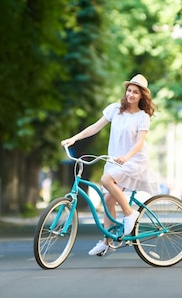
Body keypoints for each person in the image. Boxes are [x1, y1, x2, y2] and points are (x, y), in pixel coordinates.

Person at [61, 74, 160, 256]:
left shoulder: (142, 117)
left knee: (105, 180)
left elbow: (139, 143)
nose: (130, 94)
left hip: (133, 160)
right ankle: (107, 241)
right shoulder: (115, 110)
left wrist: (126, 156)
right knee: (107, 201)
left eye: (135, 92)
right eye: (129, 90)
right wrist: (73, 139)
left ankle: (130, 214)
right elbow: (94, 127)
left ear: (141, 96)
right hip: (114, 161)